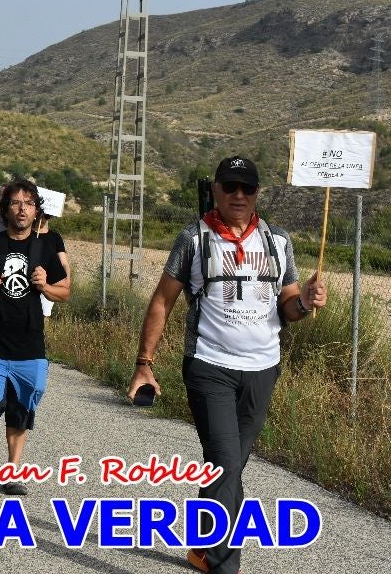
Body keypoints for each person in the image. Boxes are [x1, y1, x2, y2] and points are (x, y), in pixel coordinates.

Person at [127, 157, 326, 574]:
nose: (239, 195)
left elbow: (288, 306)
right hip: (209, 366)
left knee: (228, 467)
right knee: (226, 463)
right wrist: (144, 363)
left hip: (262, 369)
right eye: (231, 187)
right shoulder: (194, 239)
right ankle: (223, 566)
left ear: (257, 194)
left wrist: (304, 302)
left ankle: (202, 546)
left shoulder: (277, 242)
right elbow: (162, 300)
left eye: (247, 189)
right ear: (216, 189)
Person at [0, 178, 70, 496]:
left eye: (28, 203)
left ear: (37, 211)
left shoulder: (45, 247)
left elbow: (65, 292)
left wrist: (46, 286)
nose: (22, 209)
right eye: (15, 203)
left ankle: (11, 471)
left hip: (30, 345)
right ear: (4, 209)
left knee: (22, 410)